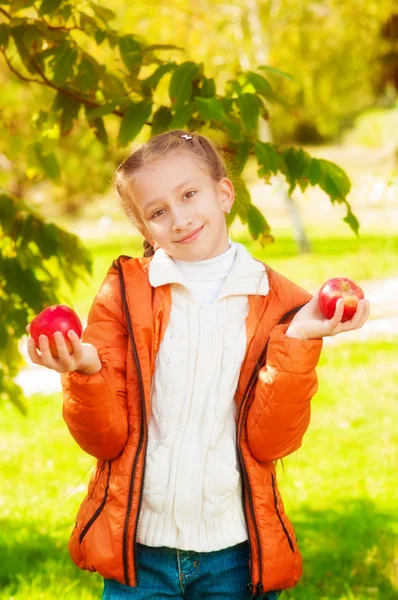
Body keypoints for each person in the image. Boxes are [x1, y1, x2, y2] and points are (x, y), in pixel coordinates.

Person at [27, 130, 370, 600]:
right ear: (145, 230)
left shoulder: (282, 305)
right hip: (140, 554)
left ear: (224, 193)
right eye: (158, 211)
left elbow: (271, 442)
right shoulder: (124, 294)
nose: (180, 218)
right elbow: (104, 439)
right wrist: (85, 369)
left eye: (189, 194)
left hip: (234, 554)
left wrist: (301, 337)